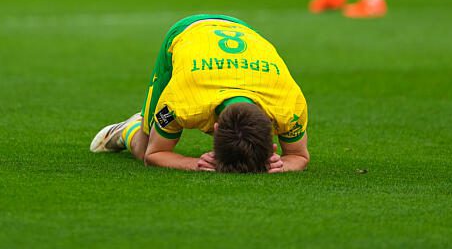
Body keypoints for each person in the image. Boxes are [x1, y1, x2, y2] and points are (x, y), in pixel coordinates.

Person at [90, 15, 310, 173]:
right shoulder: (181, 101)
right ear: (214, 129)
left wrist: (284, 166)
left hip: (245, 32)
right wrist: (193, 163)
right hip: (188, 31)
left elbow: (299, 156)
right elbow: (153, 155)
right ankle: (129, 128)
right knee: (142, 147)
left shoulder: (289, 104)